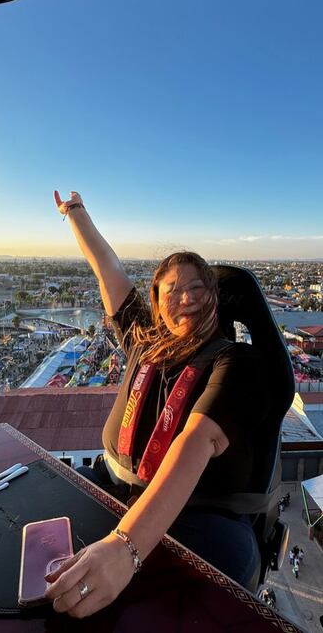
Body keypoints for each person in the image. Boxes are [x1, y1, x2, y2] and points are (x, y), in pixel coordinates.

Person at [45, 191, 270, 618]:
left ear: (214, 299)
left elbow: (196, 440)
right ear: (156, 302)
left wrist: (124, 547)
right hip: (113, 490)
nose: (183, 297)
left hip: (196, 520)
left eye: (196, 288)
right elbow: (107, 266)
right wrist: (75, 212)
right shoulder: (144, 344)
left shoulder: (235, 362)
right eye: (171, 290)